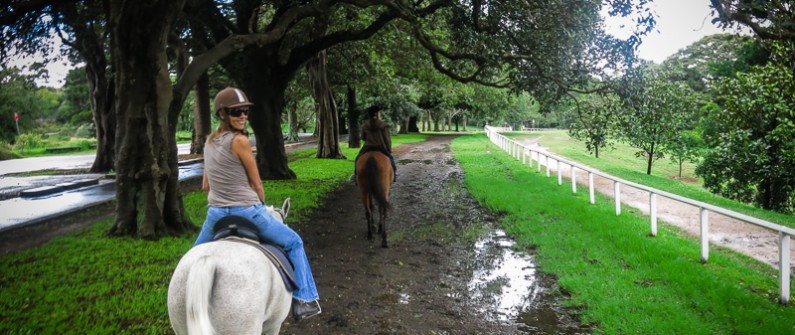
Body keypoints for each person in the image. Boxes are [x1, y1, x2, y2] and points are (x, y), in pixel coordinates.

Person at [193, 87, 321, 321]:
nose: (242, 115)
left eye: (245, 111)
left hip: (215, 216)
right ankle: (304, 299)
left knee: (192, 259)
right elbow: (257, 183)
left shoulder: (209, 143)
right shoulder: (240, 141)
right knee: (294, 242)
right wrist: (261, 206)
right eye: (236, 111)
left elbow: (205, 186)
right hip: (248, 212)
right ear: (222, 114)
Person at [354, 105, 396, 183]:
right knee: (391, 160)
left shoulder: (365, 125)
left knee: (357, 160)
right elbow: (387, 139)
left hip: (367, 147)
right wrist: (389, 150)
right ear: (376, 113)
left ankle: (356, 177)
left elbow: (363, 137)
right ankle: (394, 175)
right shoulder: (383, 124)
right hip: (380, 147)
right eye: (379, 112)